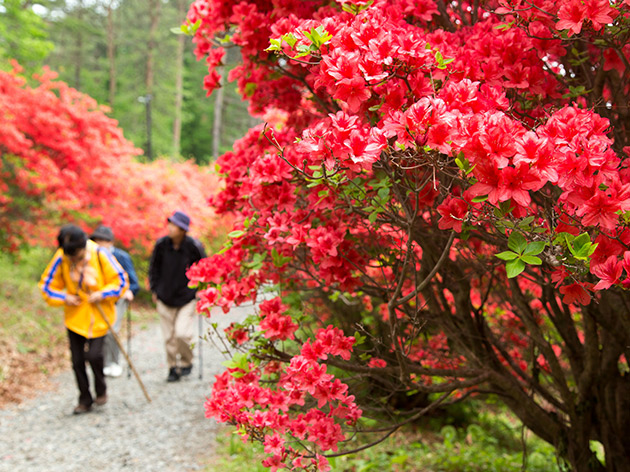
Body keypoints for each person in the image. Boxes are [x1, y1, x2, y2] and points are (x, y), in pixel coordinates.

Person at [39, 224, 129, 414]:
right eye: (69, 256)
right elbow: (46, 286)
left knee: (95, 355)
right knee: (77, 360)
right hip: (75, 317)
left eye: (76, 255)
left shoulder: (99, 254)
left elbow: (121, 280)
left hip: (99, 315)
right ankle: (84, 399)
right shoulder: (62, 257)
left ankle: (101, 390)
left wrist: (103, 293)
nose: (73, 259)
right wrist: (64, 297)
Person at [149, 210, 206, 382]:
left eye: (174, 225)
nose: (170, 227)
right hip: (165, 297)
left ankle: (187, 362)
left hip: (186, 298)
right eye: (170, 224)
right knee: (169, 337)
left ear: (182, 229)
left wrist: (200, 290)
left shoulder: (194, 246)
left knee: (181, 333)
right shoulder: (161, 245)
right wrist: (154, 290)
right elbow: (154, 269)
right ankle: (173, 367)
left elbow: (204, 268)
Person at [90, 225, 140, 378]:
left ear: (110, 242)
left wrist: (129, 291)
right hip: (100, 300)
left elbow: (133, 281)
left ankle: (115, 362)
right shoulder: (91, 257)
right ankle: (105, 362)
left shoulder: (121, 256)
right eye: (96, 241)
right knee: (101, 331)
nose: (99, 244)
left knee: (112, 329)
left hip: (118, 299)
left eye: (102, 241)